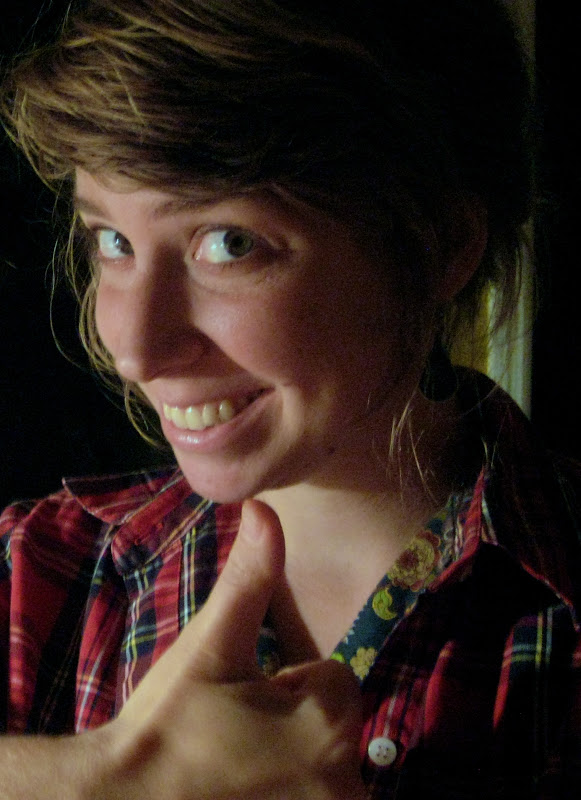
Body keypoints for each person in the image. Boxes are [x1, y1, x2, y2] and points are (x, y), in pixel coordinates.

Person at [0, 0, 579, 797]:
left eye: (228, 243)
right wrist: (91, 780)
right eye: (114, 241)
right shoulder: (37, 574)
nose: (133, 348)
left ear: (440, 245)